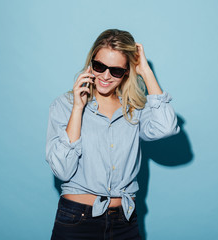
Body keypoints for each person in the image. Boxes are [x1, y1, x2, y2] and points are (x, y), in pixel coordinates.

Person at [46, 29, 180, 240]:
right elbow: (62, 170)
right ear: (91, 62)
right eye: (99, 66)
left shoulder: (134, 108)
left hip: (124, 221)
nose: (106, 76)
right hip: (76, 220)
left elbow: (166, 127)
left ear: (127, 72)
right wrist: (78, 109)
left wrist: (145, 71)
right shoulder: (65, 105)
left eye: (116, 70)